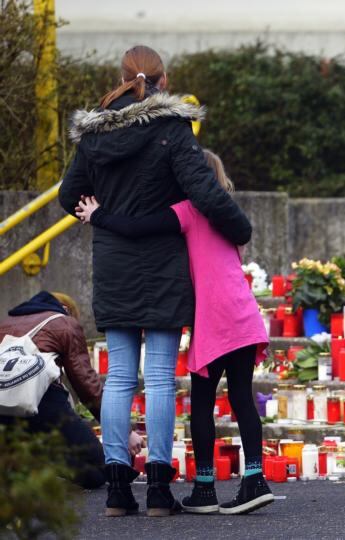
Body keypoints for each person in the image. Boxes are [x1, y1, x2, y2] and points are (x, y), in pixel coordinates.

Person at [58, 45, 252, 517]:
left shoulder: (94, 135)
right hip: (163, 263)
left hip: (114, 262)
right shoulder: (171, 127)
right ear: (163, 81)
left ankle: (118, 490)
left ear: (121, 78)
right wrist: (239, 228)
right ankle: (161, 490)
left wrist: (97, 213)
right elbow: (203, 190)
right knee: (161, 377)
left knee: (121, 376)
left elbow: (68, 195)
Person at [75, 149, 272, 515]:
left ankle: (206, 487)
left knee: (201, 403)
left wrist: (98, 214)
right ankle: (255, 479)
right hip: (244, 318)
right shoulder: (228, 217)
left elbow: (139, 227)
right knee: (242, 397)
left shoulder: (187, 211)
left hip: (214, 323)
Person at [0, 291, 142, 489]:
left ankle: (26, 461)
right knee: (100, 469)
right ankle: (41, 463)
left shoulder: (5, 322)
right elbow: (86, 384)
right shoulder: (64, 323)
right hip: (45, 401)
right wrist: (125, 431)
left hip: (4, 404)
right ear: (66, 310)